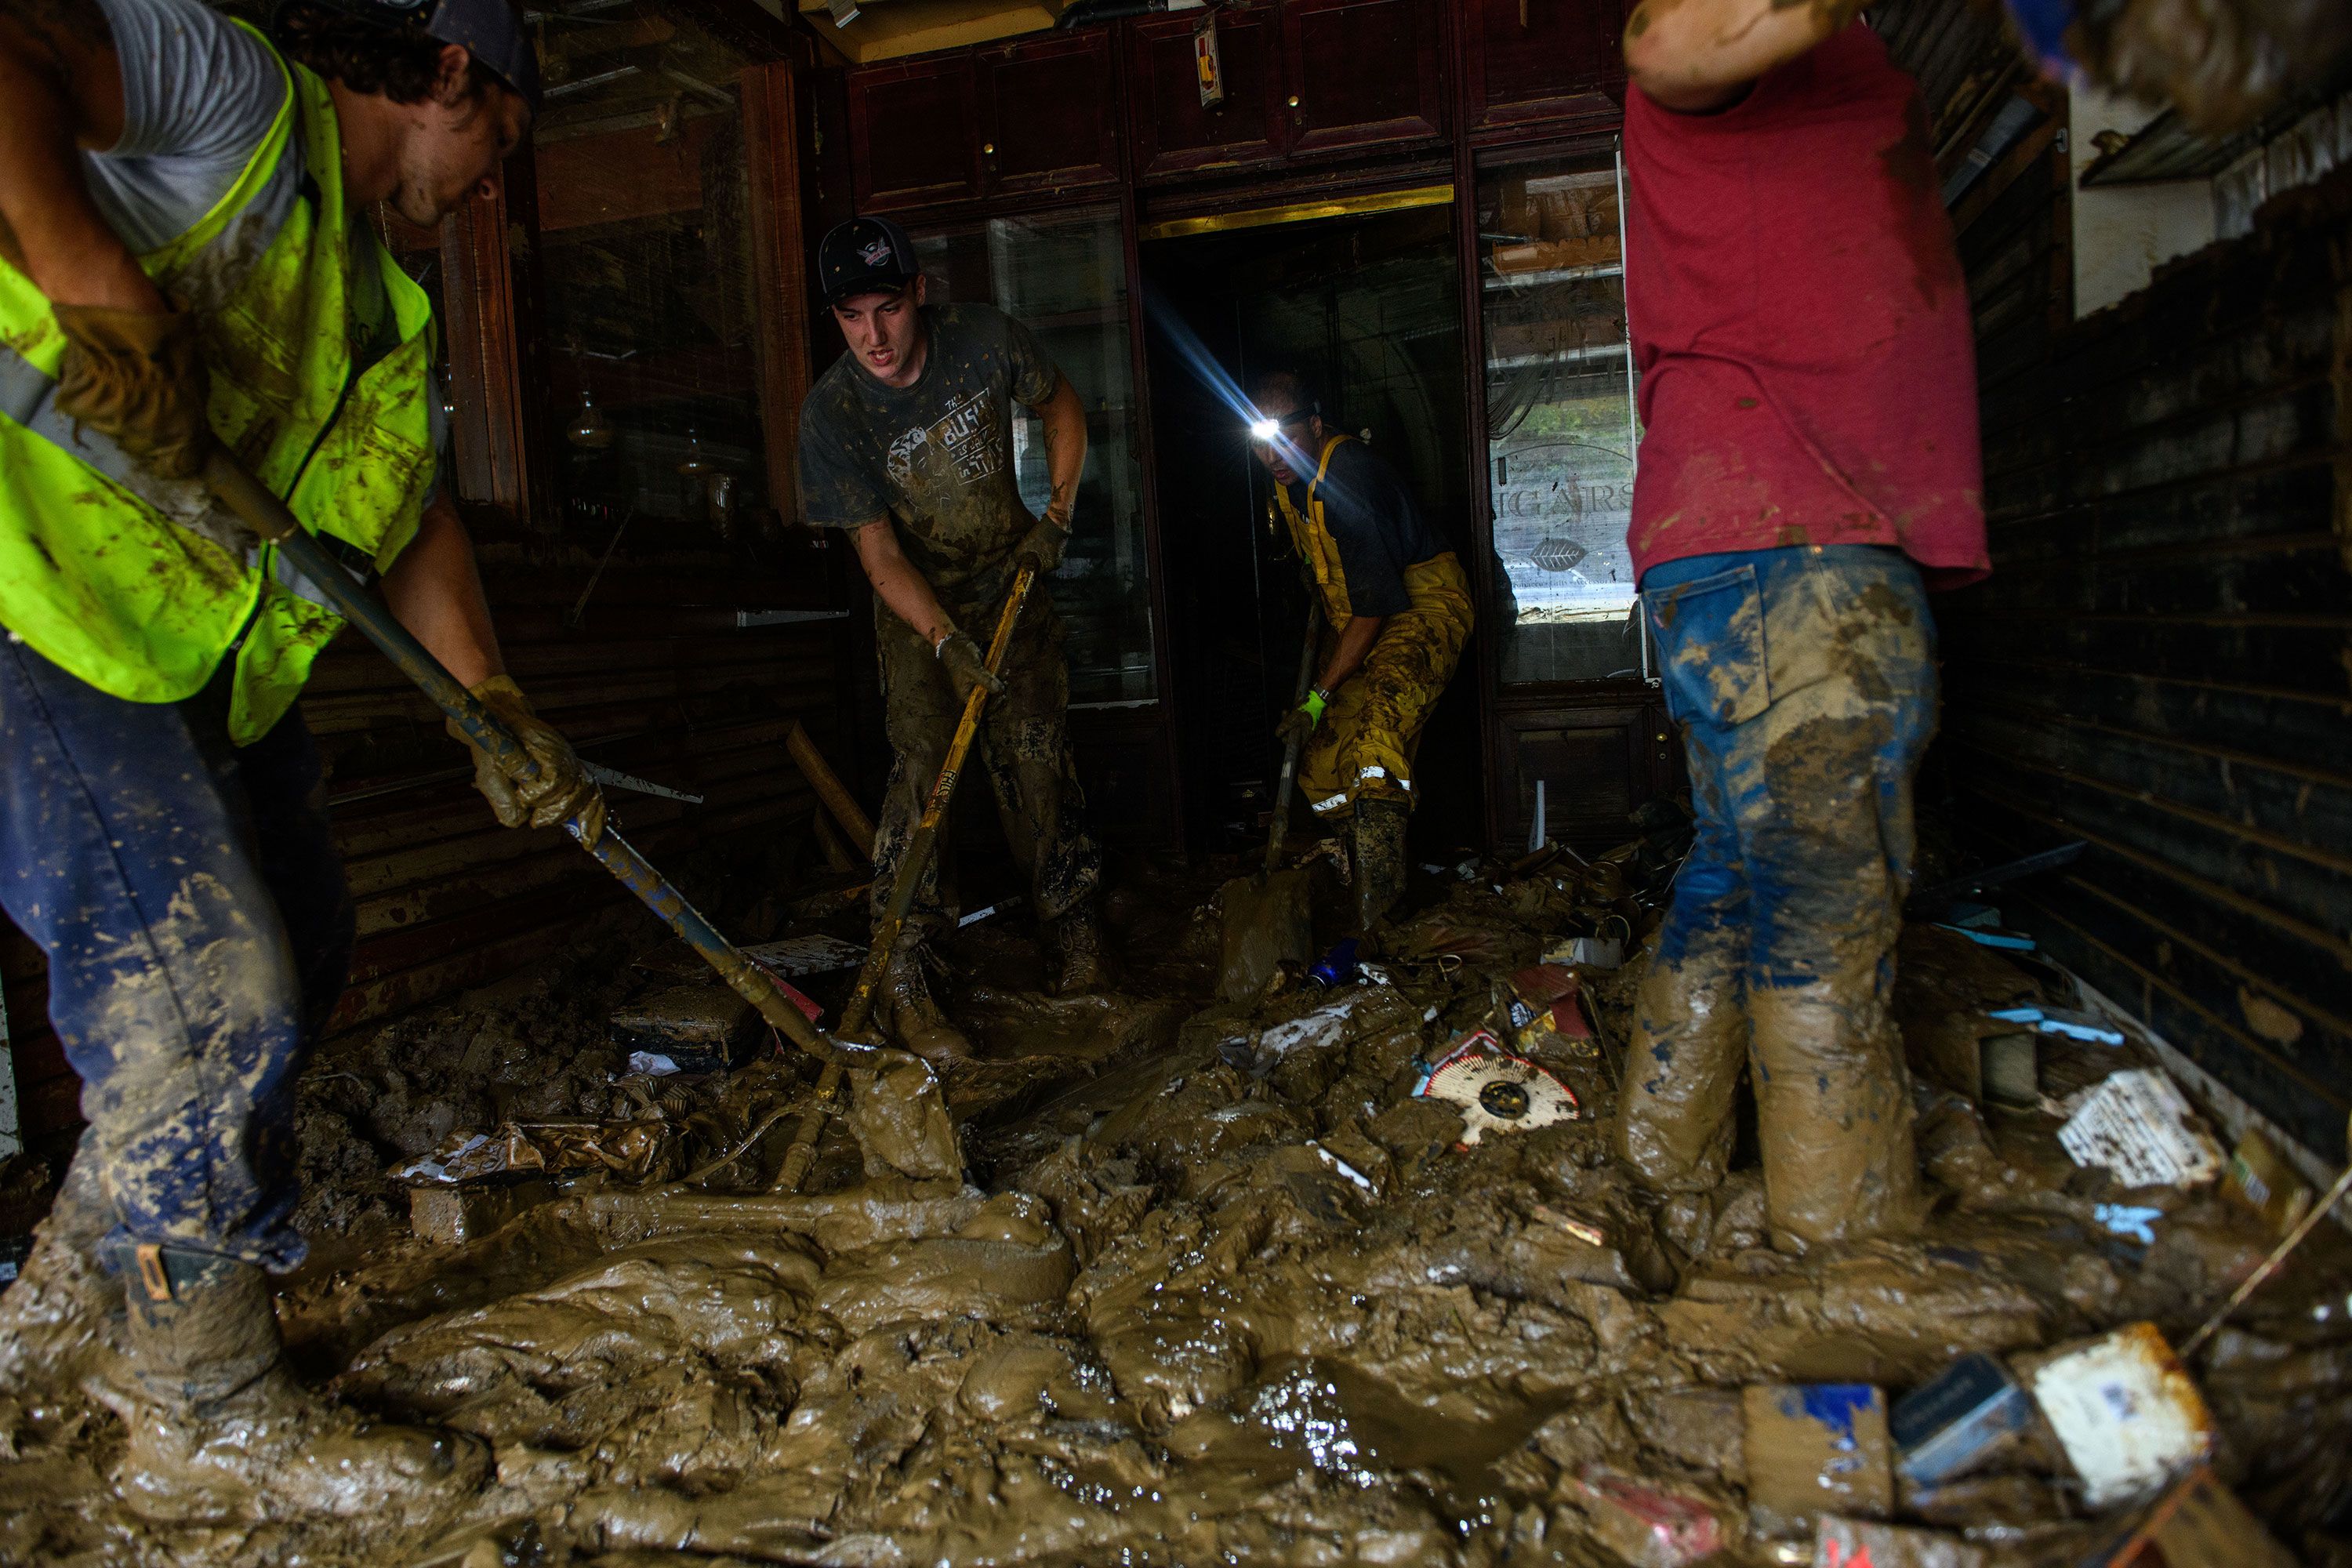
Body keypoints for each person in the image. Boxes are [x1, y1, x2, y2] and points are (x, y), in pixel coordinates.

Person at [0, 0, 597, 1523]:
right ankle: (198, 1402)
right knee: (207, 1003)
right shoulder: (233, 91)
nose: (494, 185)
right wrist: (91, 289)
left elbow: (410, 524)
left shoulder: (384, 311)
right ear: (450, 72)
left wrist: (494, 704)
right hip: (35, 604)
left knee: (305, 944)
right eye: (504, 143)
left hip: (185, 658)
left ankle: (76, 1309)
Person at [1607, 0, 1990, 1251]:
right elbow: (1665, 42)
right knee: (1828, 889)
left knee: (1741, 873)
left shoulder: (1812, 65)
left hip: (1747, 535)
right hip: (1791, 533)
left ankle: (1657, 1173)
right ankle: (1850, 1259)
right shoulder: (1729, 42)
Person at [796, 215, 1106, 1062]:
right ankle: (909, 975)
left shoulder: (983, 341)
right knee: (924, 772)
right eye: (852, 317)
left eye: (887, 310)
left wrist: (1057, 520)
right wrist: (941, 639)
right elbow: (880, 552)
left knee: (1037, 757)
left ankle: (1072, 936)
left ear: (919, 294)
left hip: (1016, 580)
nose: (874, 336)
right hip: (916, 610)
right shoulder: (834, 413)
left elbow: (1062, 405)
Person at [1247, 371, 1473, 936]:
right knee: (1321, 760)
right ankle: (1354, 874)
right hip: (1356, 619)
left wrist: (1318, 698)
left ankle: (1382, 918)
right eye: (1260, 442)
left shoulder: (1348, 480)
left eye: (1286, 438)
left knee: (1376, 737)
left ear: (1317, 426)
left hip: (1419, 605)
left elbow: (1375, 611)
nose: (1273, 456)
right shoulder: (1286, 481)